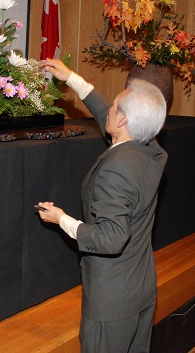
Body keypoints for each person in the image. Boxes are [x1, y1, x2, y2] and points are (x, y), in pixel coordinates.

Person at [36, 59, 168, 353]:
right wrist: (72, 78)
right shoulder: (152, 151)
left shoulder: (117, 169)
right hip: (141, 288)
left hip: (112, 300)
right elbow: (111, 115)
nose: (108, 109)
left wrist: (62, 220)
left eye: (114, 108)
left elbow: (111, 238)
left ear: (122, 121)